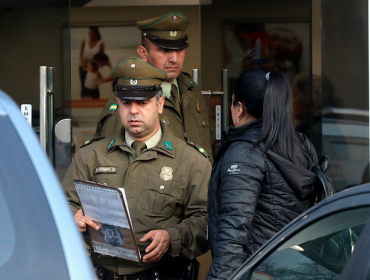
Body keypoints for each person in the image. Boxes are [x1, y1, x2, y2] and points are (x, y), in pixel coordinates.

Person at [63, 58, 211, 280]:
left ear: (160, 105)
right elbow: (63, 205)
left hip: (163, 274)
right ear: (117, 104)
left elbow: (207, 220)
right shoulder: (90, 155)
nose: (133, 111)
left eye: (143, 103)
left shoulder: (190, 161)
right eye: (126, 102)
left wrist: (172, 237)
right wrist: (71, 218)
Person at [207, 69, 319, 280]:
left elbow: (233, 232)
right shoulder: (302, 146)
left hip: (258, 272)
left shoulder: (243, 154)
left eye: (232, 102)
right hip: (299, 270)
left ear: (239, 108)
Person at [95, 12, 213, 161]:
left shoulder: (191, 89)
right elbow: (109, 164)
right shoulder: (128, 101)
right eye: (164, 50)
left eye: (179, 49)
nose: (174, 59)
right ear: (143, 53)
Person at [80, 26, 105, 99]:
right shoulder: (85, 41)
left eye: (91, 33)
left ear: (96, 33)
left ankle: (95, 100)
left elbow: (101, 57)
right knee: (84, 85)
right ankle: (84, 101)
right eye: (89, 33)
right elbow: (81, 54)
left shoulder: (100, 43)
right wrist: (83, 62)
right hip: (84, 65)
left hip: (94, 66)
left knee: (93, 84)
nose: (90, 35)